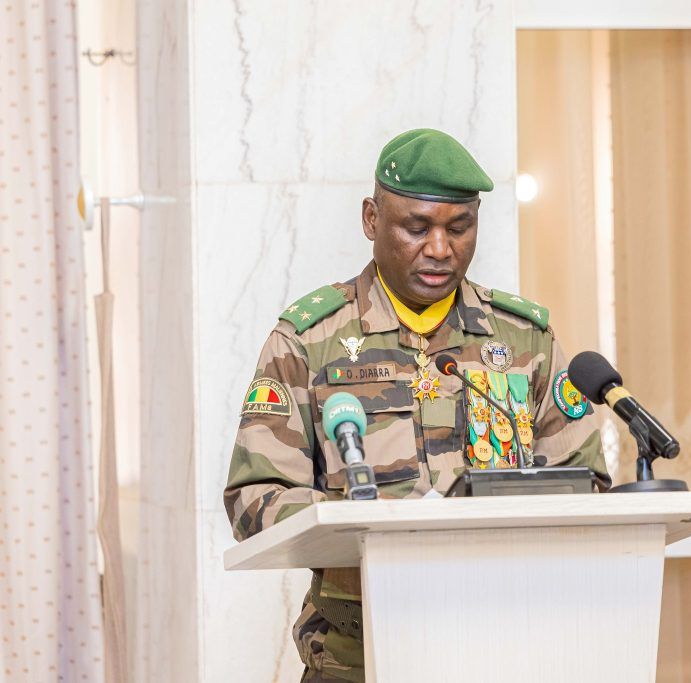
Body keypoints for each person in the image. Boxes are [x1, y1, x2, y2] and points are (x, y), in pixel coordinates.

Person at [223, 128, 609, 681]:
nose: (440, 249)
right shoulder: (309, 341)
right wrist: (368, 525)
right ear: (371, 220)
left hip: (501, 647)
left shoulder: (524, 339)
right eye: (417, 227)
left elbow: (586, 484)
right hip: (357, 660)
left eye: (460, 227)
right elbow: (254, 497)